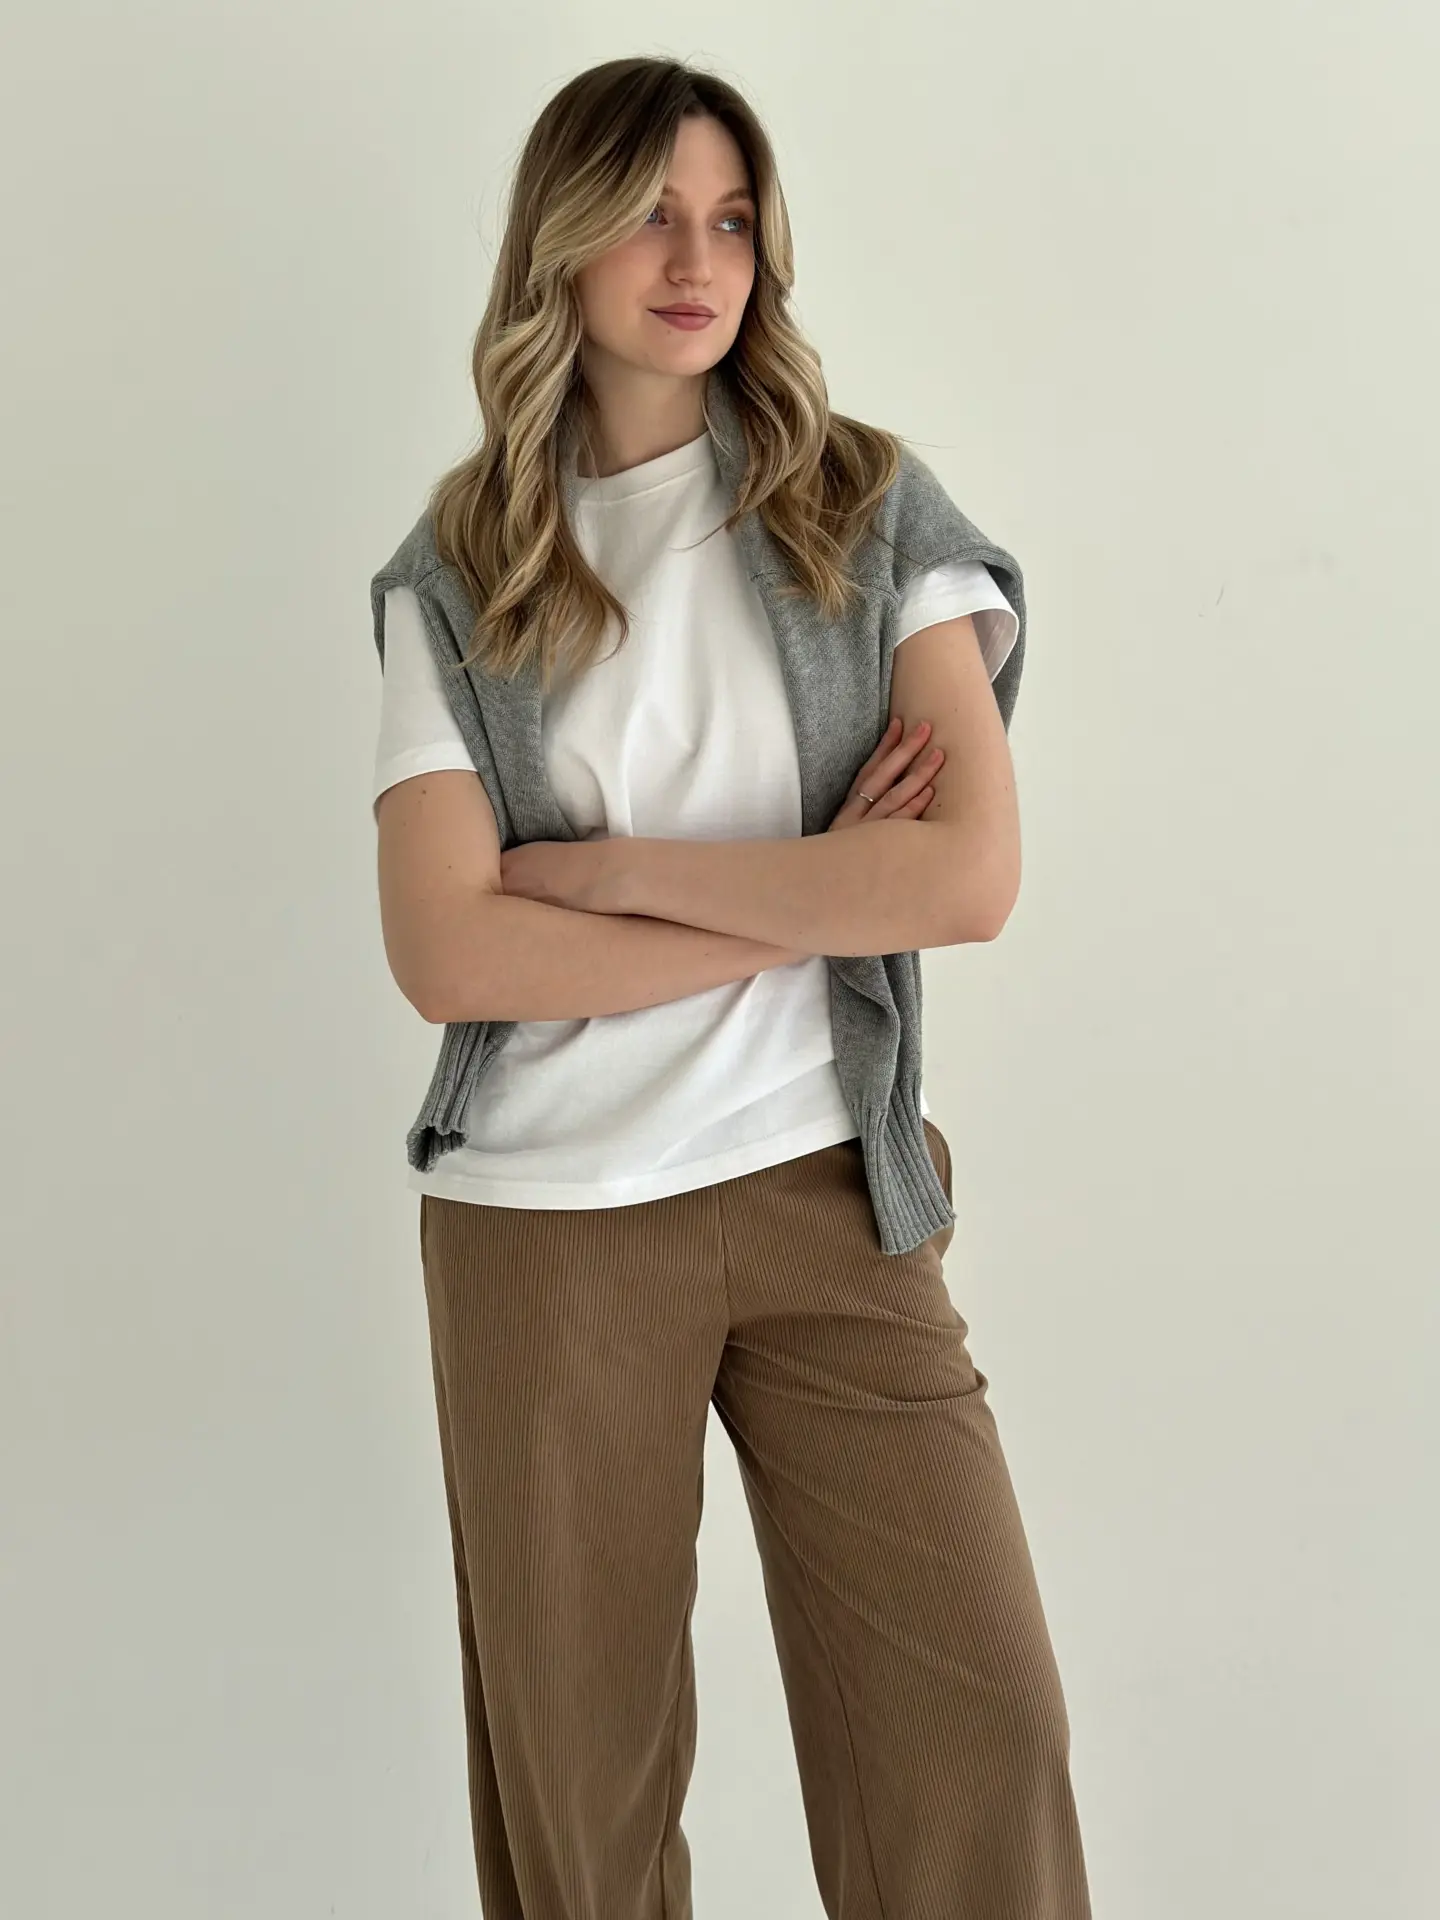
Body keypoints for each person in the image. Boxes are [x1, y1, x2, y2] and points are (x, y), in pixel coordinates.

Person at [370, 55, 1092, 1920]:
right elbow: (450, 950)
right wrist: (814, 888)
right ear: (561, 242)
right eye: (650, 215)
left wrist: (619, 876)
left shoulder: (864, 509)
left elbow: (964, 877)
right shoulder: (460, 573)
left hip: (825, 1195)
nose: (698, 262)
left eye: (733, 220)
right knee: (586, 1813)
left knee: (981, 1736)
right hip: (547, 1228)